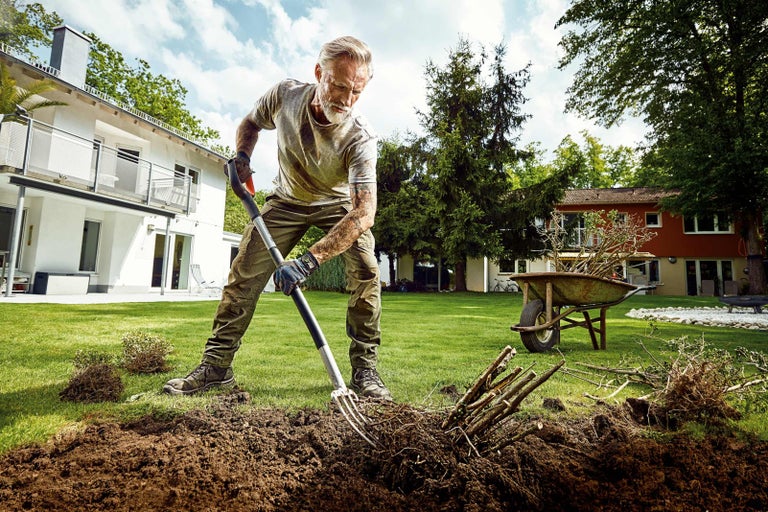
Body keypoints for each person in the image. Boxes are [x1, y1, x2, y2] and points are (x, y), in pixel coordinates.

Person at [163, 36, 390, 400]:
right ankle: (216, 367)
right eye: (339, 86)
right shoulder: (286, 95)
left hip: (338, 207)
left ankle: (365, 372)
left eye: (356, 93)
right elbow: (251, 124)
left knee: (366, 275)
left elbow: (364, 212)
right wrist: (242, 156)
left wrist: (308, 261)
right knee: (243, 275)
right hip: (287, 200)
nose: (346, 101)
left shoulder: (360, 138)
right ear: (319, 73)